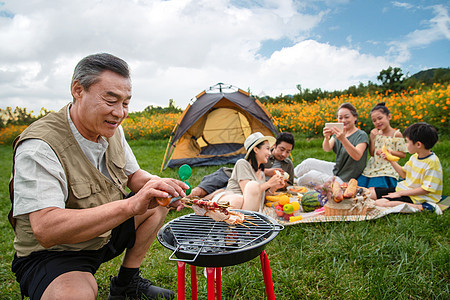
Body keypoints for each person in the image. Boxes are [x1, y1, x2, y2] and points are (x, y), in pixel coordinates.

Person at [8, 53, 187, 300]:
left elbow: (133, 175)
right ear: (78, 90)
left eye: (125, 103)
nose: (119, 112)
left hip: (102, 234)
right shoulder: (41, 146)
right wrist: (130, 205)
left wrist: (157, 184)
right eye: (111, 100)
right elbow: (46, 229)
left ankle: (126, 283)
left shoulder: (112, 129)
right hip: (55, 253)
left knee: (157, 201)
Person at [190, 132, 295, 198]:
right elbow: (248, 170)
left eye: (288, 152)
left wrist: (278, 183)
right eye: (282, 149)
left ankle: (197, 202)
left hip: (246, 186)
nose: (284, 154)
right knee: (200, 191)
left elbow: (289, 186)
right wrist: (268, 173)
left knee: (222, 192)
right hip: (229, 174)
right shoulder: (257, 158)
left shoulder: (287, 164)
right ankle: (182, 199)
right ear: (275, 146)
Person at [371, 122, 443, 214]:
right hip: (406, 189)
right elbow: (403, 174)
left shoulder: (432, 163)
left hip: (420, 197)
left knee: (380, 203)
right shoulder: (415, 157)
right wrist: (390, 160)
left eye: (407, 142)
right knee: (370, 192)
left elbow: (426, 189)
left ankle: (423, 207)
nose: (405, 145)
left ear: (418, 145)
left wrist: (400, 194)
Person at [206, 132, 285, 212]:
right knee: (240, 198)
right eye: (267, 148)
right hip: (230, 203)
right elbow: (249, 192)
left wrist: (274, 187)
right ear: (256, 149)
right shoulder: (242, 164)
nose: (269, 153)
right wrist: (268, 183)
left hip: (249, 210)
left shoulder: (261, 173)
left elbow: (259, 199)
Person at [294, 102, 369, 186]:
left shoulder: (361, 135)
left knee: (312, 175)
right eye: (340, 118)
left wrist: (343, 139)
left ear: (355, 117)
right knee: (308, 162)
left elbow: (357, 156)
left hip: (347, 179)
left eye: (347, 117)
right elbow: (327, 148)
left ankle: (296, 182)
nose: (343, 120)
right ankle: (288, 175)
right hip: (337, 169)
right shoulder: (338, 132)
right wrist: (326, 138)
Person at [357, 102, 407, 188]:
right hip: (372, 167)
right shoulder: (376, 134)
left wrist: (389, 152)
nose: (377, 122)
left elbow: (403, 154)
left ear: (389, 117)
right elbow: (372, 154)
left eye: (380, 118)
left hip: (388, 168)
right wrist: (372, 139)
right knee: (359, 187)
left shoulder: (396, 134)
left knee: (376, 188)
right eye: (374, 120)